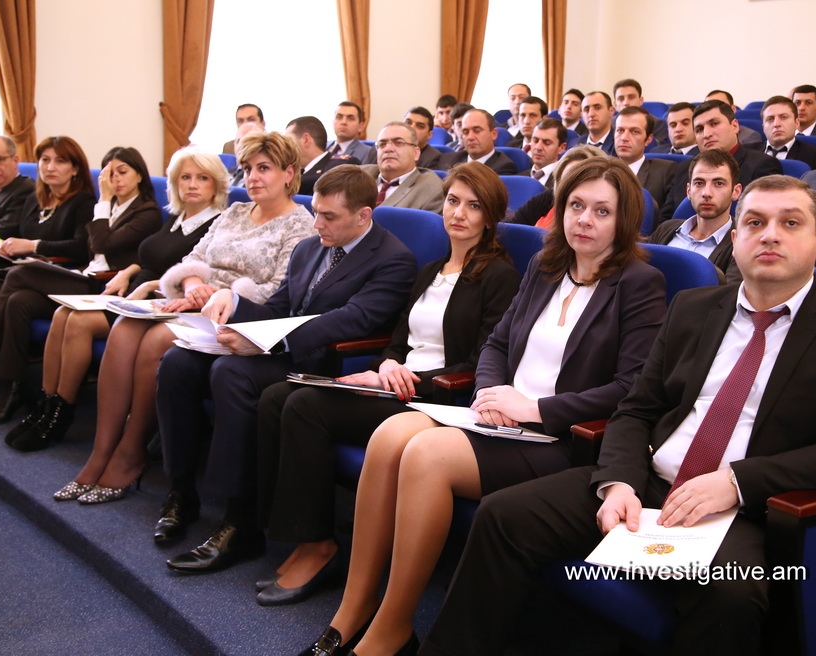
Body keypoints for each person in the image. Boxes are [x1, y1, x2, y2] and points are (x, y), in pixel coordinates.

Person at [418, 174, 816, 656]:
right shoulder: (694, 307)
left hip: (747, 508)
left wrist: (736, 482)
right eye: (755, 223)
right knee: (504, 516)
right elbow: (636, 408)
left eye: (790, 223)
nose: (770, 235)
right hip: (649, 483)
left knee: (731, 595)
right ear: (736, 239)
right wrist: (619, 482)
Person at [299, 157, 668, 656]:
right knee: (387, 437)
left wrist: (536, 408)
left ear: (623, 221)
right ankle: (353, 609)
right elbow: (496, 345)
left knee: (425, 455)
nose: (584, 220)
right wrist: (489, 393)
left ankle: (391, 629)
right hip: (501, 420)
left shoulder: (639, 283)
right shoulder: (545, 267)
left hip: (562, 438)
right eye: (576, 206)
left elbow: (631, 387)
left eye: (602, 211)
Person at [252, 163, 522, 605]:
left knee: (304, 406)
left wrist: (410, 377)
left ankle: (319, 546)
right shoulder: (431, 269)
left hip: (435, 398)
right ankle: (278, 530)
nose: (458, 213)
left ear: (490, 217)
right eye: (453, 201)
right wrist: (384, 366)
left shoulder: (498, 276)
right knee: (277, 396)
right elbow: (398, 340)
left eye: (473, 207)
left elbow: (482, 361)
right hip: (394, 384)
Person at [154, 165, 416, 565]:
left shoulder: (394, 259)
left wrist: (272, 341)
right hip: (283, 351)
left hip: (331, 362)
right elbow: (279, 307)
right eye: (317, 211)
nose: (317, 223)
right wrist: (234, 303)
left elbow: (354, 319)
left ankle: (239, 520)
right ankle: (181, 490)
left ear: (363, 215)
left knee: (232, 373)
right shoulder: (310, 247)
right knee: (179, 362)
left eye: (329, 216)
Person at [48, 133, 316, 496]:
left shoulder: (300, 225)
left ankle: (131, 452)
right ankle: (101, 451)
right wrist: (192, 285)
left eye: (264, 168)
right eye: (248, 168)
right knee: (124, 328)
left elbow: (277, 293)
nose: (253, 177)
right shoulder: (235, 211)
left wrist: (217, 293)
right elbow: (192, 259)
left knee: (156, 340)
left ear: (289, 173)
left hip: (237, 316)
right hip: (194, 302)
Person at [16, 147, 227, 462]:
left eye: (202, 178)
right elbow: (153, 256)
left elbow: (191, 276)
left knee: (78, 322)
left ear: (217, 184)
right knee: (62, 313)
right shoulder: (177, 216)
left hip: (162, 302)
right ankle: (47, 406)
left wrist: (147, 285)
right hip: (133, 292)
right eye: (185, 177)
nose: (192, 185)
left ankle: (61, 414)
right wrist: (129, 272)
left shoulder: (217, 224)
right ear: (175, 182)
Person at [0, 142, 174, 429]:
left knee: (16, 276)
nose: (115, 179)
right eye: (110, 173)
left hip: (103, 286)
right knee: (19, 301)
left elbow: (100, 244)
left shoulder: (146, 211)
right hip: (84, 275)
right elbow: (89, 250)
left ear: (139, 175)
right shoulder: (111, 207)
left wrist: (103, 200)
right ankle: (15, 388)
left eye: (123, 172)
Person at [0, 136, 84, 369]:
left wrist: (30, 245)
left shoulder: (31, 192)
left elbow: (4, 231)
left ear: (15, 160)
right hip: (14, 266)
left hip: (32, 271)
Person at [648, 149, 744, 283]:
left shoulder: (741, 243)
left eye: (718, 183)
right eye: (699, 183)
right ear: (689, 191)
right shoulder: (665, 229)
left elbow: (728, 293)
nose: (706, 193)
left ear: (736, 192)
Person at [507, 145, 606, 228]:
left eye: (579, 181)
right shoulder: (548, 198)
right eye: (566, 181)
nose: (570, 188)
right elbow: (512, 229)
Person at [360, 122, 443, 213]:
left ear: (416, 153)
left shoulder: (431, 190)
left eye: (398, 143)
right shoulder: (360, 175)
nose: (388, 149)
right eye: (382, 144)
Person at [286, 116, 359, 196]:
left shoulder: (339, 166)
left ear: (306, 140)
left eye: (289, 141)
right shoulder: (296, 171)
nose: (286, 147)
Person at [756, 95, 816, 170]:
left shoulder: (814, 155)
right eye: (770, 119)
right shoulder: (750, 151)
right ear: (763, 127)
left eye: (783, 117)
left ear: (797, 123)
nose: (776, 124)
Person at [436, 109, 518, 175]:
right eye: (465, 132)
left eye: (477, 131)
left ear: (493, 134)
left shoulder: (503, 166)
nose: (470, 137)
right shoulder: (448, 160)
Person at [517, 117, 568, 189]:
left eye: (547, 143)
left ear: (561, 148)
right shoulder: (518, 179)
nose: (538, 147)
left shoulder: (565, 181)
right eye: (535, 141)